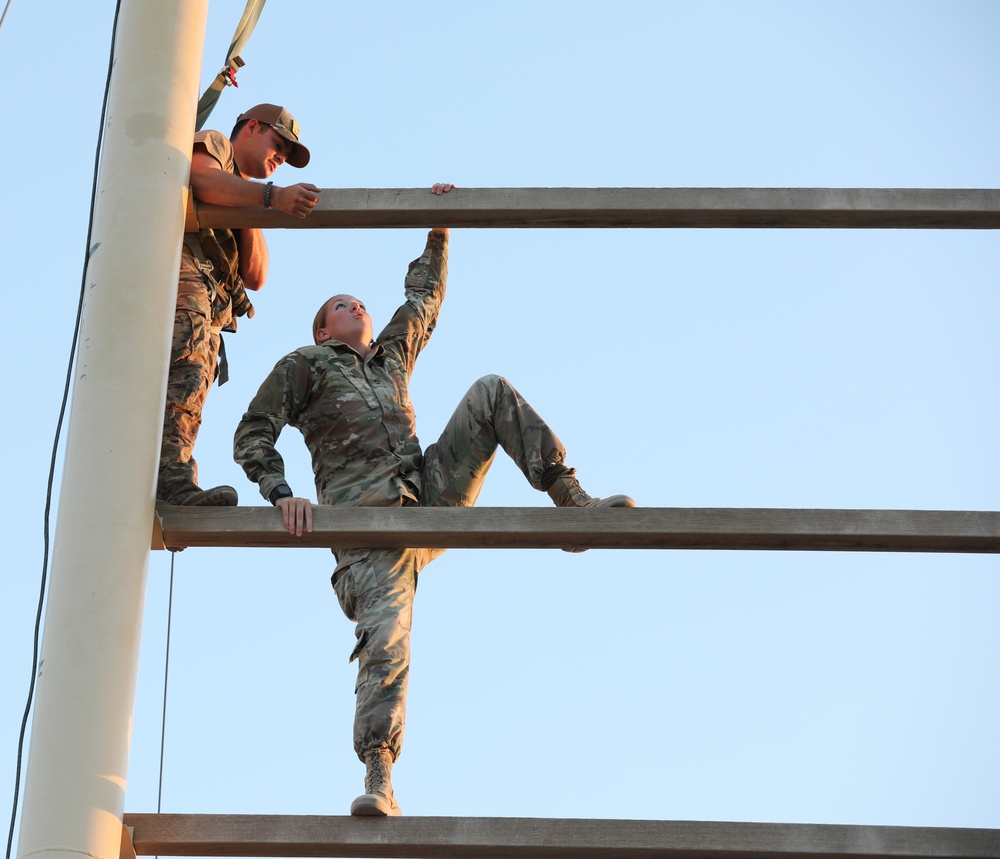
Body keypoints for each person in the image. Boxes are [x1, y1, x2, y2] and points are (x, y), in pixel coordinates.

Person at [233, 221, 635, 816]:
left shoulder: (389, 359)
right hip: (367, 530)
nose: (356, 305)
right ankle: (379, 773)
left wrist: (438, 230)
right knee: (387, 643)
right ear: (323, 327)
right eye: (341, 305)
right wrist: (280, 491)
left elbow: (423, 300)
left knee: (490, 390)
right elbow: (253, 431)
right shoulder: (307, 364)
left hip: (428, 493)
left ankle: (570, 499)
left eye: (359, 301)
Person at [157, 104, 322, 507]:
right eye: (277, 143)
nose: (281, 157)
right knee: (182, 372)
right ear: (251, 127)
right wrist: (270, 196)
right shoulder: (216, 146)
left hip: (210, 304)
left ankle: (171, 479)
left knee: (190, 389)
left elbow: (256, 275)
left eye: (287, 155)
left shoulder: (246, 190)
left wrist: (258, 202)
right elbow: (199, 178)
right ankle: (169, 479)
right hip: (185, 277)